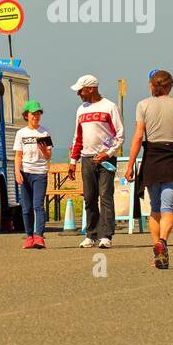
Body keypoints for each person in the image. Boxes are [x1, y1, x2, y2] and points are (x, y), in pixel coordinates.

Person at [126, 69, 173, 269]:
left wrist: (130, 164)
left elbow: (138, 136)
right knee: (169, 209)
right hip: (171, 158)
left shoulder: (143, 105)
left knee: (154, 209)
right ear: (170, 86)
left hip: (151, 158)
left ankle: (157, 249)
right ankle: (163, 243)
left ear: (152, 86)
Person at [67, 74, 124, 249]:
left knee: (105, 196)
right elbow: (78, 136)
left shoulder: (109, 107)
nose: (79, 94)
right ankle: (91, 234)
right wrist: (72, 161)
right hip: (86, 158)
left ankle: (106, 235)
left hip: (106, 159)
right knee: (90, 197)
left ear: (91, 89)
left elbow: (119, 134)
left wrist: (107, 153)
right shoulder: (81, 109)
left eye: (81, 90)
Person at [14, 101, 52, 249]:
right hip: (25, 172)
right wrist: (17, 172)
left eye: (38, 114)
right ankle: (29, 236)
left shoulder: (45, 132)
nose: (36, 116)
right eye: (33, 114)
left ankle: (39, 236)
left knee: (38, 205)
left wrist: (44, 150)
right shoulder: (21, 133)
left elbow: (48, 156)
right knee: (26, 207)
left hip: (40, 173)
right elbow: (18, 155)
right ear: (26, 116)